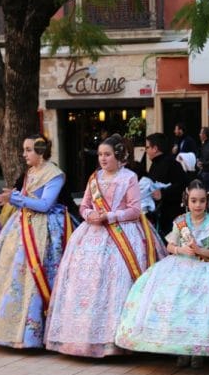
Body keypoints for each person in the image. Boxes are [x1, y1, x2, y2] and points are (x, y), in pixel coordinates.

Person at [116, 180, 209, 368]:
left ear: (207, 201)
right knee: (175, 304)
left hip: (205, 268)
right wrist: (181, 250)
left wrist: (199, 251)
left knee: (203, 307)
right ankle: (180, 350)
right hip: (178, 266)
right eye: (193, 201)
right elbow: (170, 245)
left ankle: (199, 351)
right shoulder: (180, 222)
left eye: (201, 201)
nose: (197, 205)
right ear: (187, 201)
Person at [45, 135, 165, 357]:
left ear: (118, 155)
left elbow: (135, 209)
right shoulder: (94, 178)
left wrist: (109, 216)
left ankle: (115, 340)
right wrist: (90, 215)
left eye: (107, 154)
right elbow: (85, 206)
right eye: (100, 154)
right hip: (92, 233)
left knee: (116, 282)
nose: (102, 158)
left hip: (123, 233)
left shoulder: (129, 177)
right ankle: (81, 338)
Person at [0, 135, 71, 348]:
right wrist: (14, 198)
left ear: (41, 151)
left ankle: (34, 333)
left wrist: (15, 198)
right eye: (24, 149)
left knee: (36, 278)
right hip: (22, 226)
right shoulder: (30, 172)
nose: (24, 154)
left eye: (28, 150)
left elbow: (45, 204)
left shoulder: (54, 174)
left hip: (44, 230)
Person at [145, 132, 188, 236]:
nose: (146, 151)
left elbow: (182, 185)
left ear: (155, 148)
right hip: (159, 214)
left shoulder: (172, 164)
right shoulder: (155, 164)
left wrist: (163, 193)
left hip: (171, 216)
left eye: (147, 147)